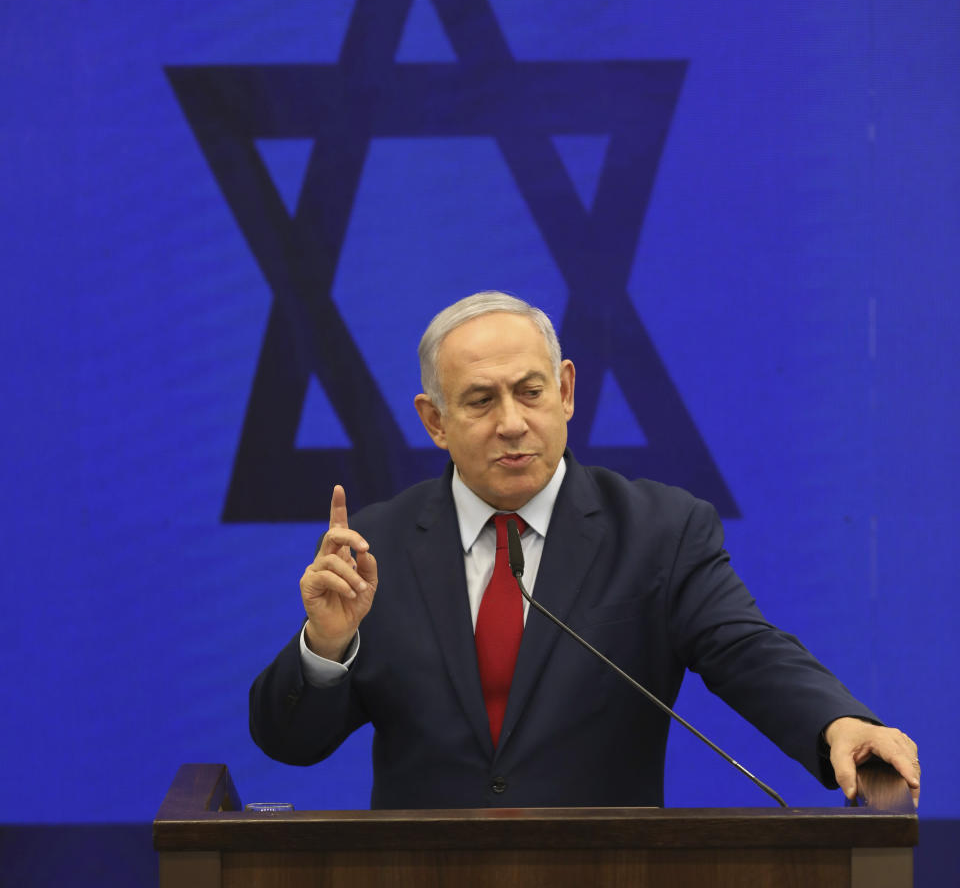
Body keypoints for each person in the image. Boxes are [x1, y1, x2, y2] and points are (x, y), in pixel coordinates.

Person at [250, 292, 920, 809]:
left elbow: (745, 648)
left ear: (565, 392)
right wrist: (326, 648)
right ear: (435, 421)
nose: (512, 423)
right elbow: (290, 743)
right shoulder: (381, 545)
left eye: (530, 392)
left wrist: (836, 721)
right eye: (480, 401)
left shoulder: (658, 532)